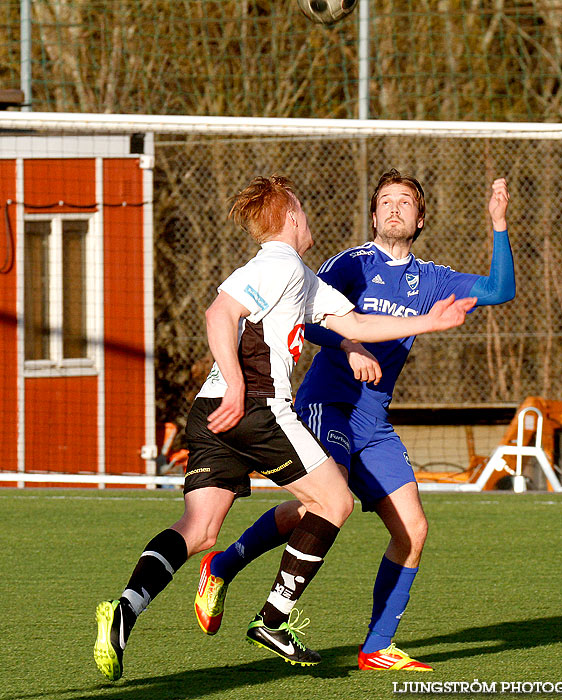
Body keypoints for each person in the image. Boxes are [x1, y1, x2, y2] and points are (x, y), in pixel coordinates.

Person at [93, 174, 477, 680]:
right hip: (253, 404)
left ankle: (124, 610)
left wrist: (429, 322)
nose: (309, 216)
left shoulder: (302, 277)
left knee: (200, 530)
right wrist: (236, 383)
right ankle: (273, 618)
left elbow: (357, 326)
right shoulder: (279, 264)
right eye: (303, 208)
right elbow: (219, 313)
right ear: (291, 217)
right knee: (334, 501)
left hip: (212, 412)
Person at [193, 170, 515, 671]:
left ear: (420, 217)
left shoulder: (431, 279)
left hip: (374, 420)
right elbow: (304, 318)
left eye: (404, 202)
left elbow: (499, 290)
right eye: (385, 201)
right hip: (327, 403)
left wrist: (498, 224)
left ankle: (376, 647)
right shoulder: (351, 264)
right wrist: (353, 344)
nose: (393, 208)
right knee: (324, 504)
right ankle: (234, 575)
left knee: (413, 529)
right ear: (372, 215)